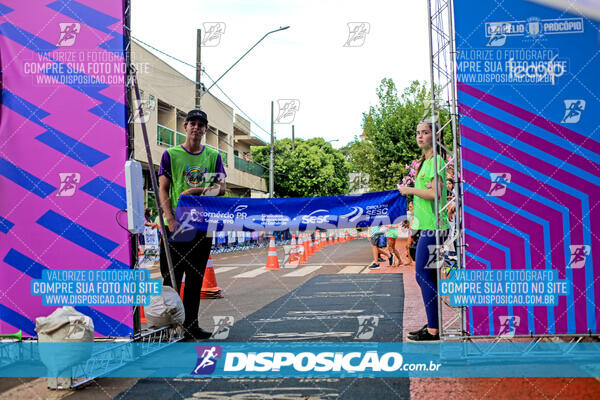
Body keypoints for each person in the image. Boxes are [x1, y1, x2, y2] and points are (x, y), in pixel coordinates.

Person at [158, 109, 226, 341]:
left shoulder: (212, 156)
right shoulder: (171, 154)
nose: (196, 127)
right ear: (185, 127)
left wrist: (196, 190)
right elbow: (163, 188)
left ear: (205, 129)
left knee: (195, 277)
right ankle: (169, 327)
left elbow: (221, 188)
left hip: (201, 225)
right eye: (192, 123)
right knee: (171, 277)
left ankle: (191, 326)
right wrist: (169, 218)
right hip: (176, 225)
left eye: (201, 124)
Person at [398, 119, 449, 341]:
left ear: (436, 136)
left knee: (422, 276)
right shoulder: (425, 162)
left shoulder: (436, 160)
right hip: (427, 227)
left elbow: (436, 194)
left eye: (425, 132)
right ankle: (433, 326)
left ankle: (433, 330)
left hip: (434, 228)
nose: (420, 136)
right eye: (418, 132)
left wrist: (410, 189)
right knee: (429, 277)